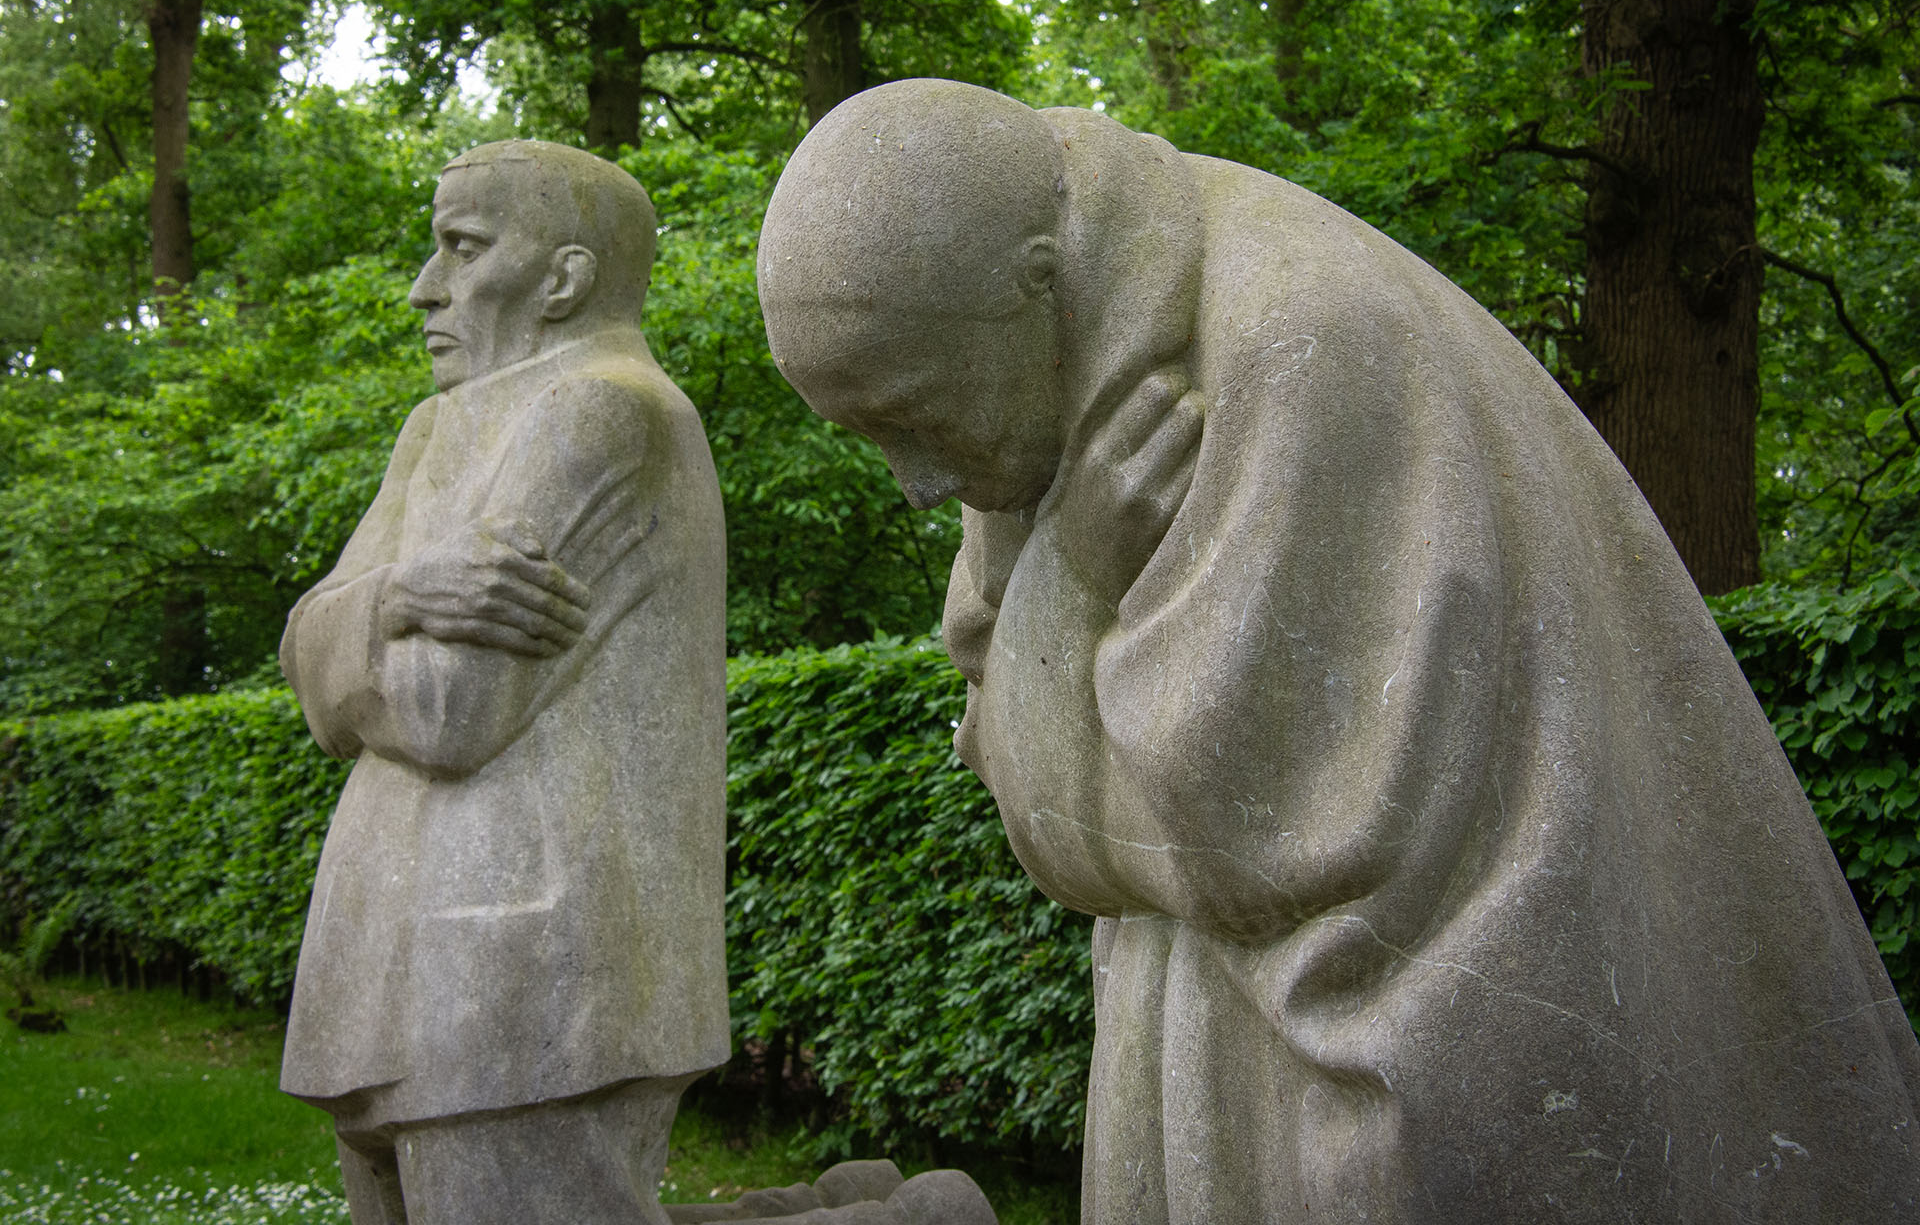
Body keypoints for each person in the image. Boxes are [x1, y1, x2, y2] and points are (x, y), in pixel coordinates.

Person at [758, 79, 1920, 1223]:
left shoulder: (1296, 349)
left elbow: (1226, 845)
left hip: (1411, 1050)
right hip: (1240, 1023)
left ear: (1037, 284)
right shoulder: (1067, 351)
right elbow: (1044, 769)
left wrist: (1062, 590)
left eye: (914, 418)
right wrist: (1070, 574)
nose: (915, 486)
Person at [279, 140, 729, 1225]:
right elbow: (305, 650)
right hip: (403, 962)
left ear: (564, 279)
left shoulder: (604, 411)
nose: (423, 287)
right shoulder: (436, 427)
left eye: (461, 248)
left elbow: (449, 709)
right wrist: (405, 593)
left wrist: (366, 625)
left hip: (529, 970)